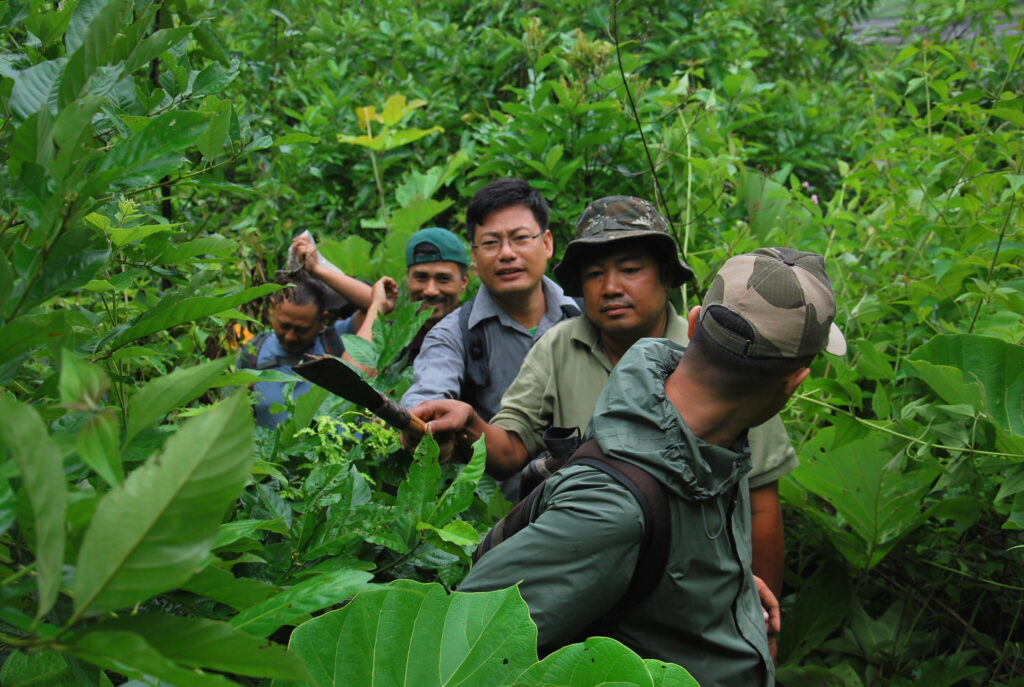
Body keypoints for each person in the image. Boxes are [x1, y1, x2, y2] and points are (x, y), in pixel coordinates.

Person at [458, 247, 847, 685]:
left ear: (696, 322)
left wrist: (721, 586)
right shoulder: (612, 509)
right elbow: (462, 652)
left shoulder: (715, 441)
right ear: (793, 383)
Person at [408, 197, 797, 597]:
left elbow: (761, 499)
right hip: (582, 580)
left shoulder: (714, 356)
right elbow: (510, 451)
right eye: (594, 275)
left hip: (694, 586)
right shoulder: (557, 346)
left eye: (630, 270)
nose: (611, 288)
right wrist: (469, 425)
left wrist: (757, 615)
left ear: (664, 275)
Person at [400, 178, 580, 422]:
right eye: (491, 243)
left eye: (520, 238)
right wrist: (420, 420)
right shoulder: (454, 334)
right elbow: (428, 394)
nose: (506, 253)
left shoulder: (588, 315)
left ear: (547, 243)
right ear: (474, 256)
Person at [294, 227, 470, 369]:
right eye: (421, 278)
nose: (431, 290)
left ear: (464, 282)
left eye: (443, 279)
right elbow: (349, 384)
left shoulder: (478, 333)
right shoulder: (395, 337)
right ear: (407, 278)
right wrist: (377, 305)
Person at [239, 271, 368, 428]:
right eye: (284, 326)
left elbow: (375, 304)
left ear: (323, 320)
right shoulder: (252, 355)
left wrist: (317, 268)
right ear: (272, 308)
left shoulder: (339, 340)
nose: (290, 337)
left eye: (302, 329)